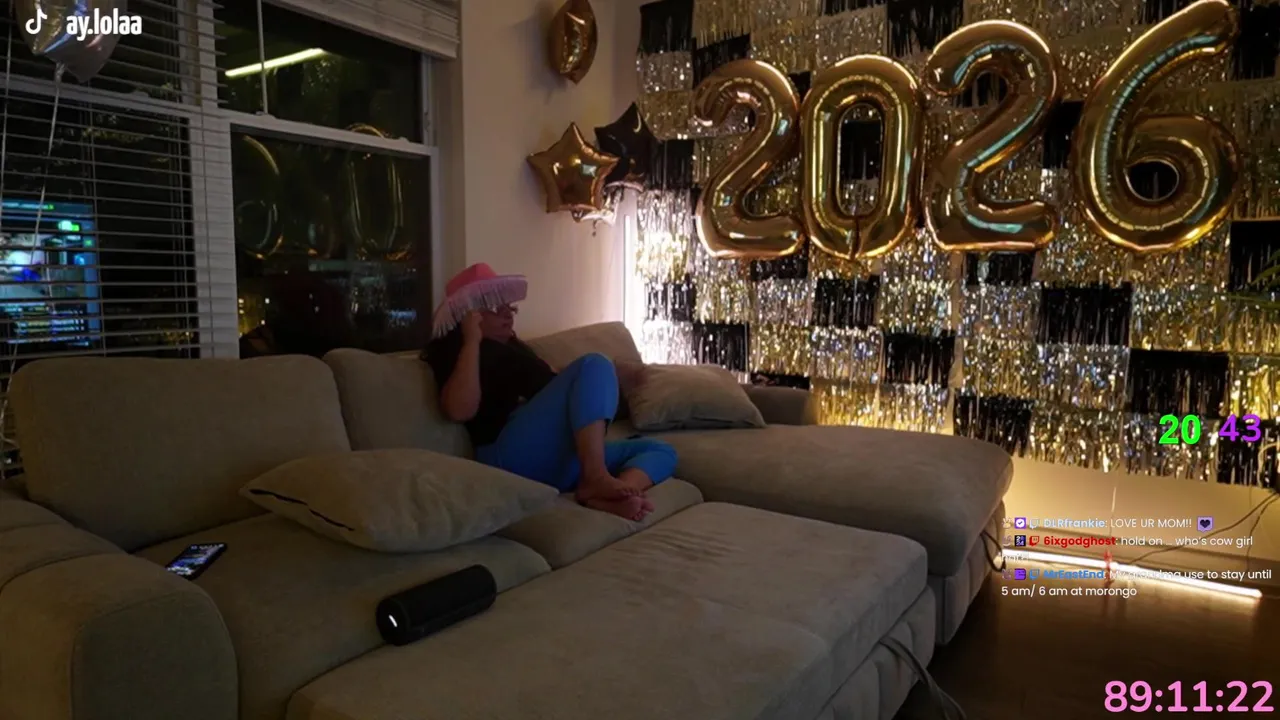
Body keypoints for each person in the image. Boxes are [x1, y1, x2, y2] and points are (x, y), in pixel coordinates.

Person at [422, 263, 677, 521]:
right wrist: (471, 340)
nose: (508, 314)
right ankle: (596, 477)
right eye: (496, 307)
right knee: (595, 363)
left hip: (554, 457)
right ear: (469, 315)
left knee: (661, 450)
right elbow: (459, 410)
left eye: (510, 307)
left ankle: (612, 494)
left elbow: (549, 386)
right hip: (507, 456)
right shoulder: (457, 351)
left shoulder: (516, 349)